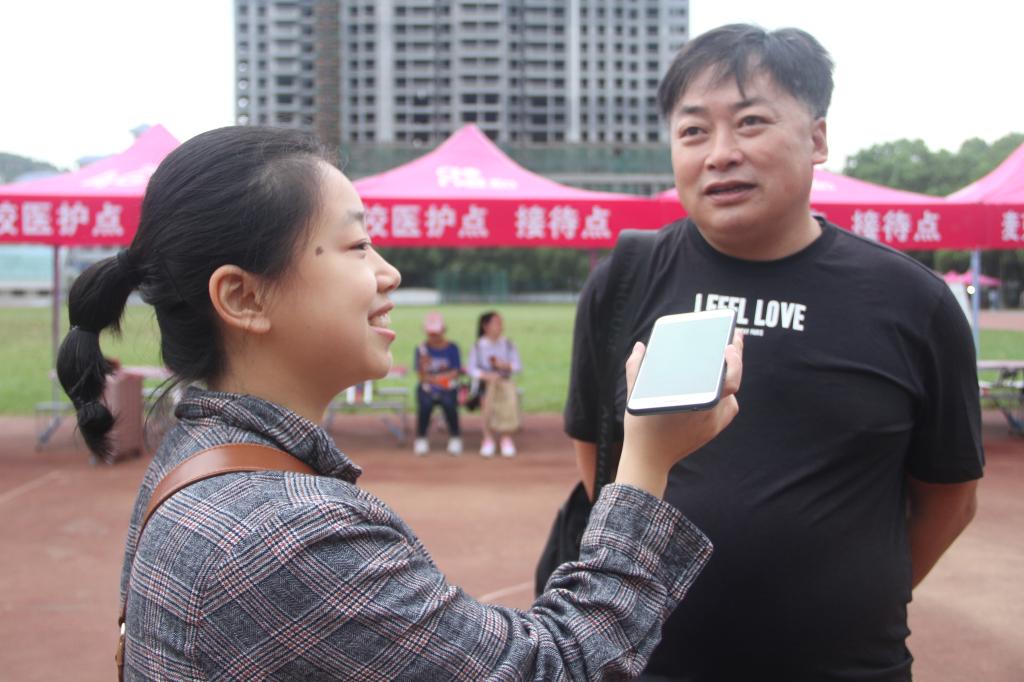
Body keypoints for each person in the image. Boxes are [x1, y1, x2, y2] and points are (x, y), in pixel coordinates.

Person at [56, 125, 745, 680]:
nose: (389, 273)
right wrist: (645, 461)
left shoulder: (196, 465)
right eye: (357, 245)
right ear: (243, 297)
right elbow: (555, 666)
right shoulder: (284, 533)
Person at [564, 24, 983, 682]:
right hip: (649, 665)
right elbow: (599, 456)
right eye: (693, 131)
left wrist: (852, 601)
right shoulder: (624, 280)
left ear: (817, 138)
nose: (720, 154)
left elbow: (950, 497)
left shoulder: (912, 301)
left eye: (750, 122)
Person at [467, 310, 522, 457]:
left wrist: (505, 366)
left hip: (504, 383)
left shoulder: (508, 344)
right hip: (485, 384)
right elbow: (471, 369)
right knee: (486, 403)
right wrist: (485, 375)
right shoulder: (478, 346)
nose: (500, 326)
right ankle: (488, 438)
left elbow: (517, 366)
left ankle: (506, 438)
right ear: (485, 326)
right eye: (496, 323)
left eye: (501, 323)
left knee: (508, 404)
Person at [413, 311, 463, 456]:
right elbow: (421, 376)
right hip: (428, 387)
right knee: (425, 405)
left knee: (449, 404)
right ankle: (421, 437)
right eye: (431, 334)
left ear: (443, 330)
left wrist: (437, 379)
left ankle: (455, 437)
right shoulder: (421, 349)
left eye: (436, 333)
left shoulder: (452, 348)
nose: (433, 337)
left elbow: (456, 371)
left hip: (448, 387)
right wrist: (423, 366)